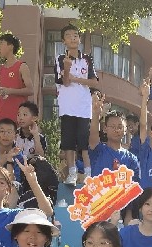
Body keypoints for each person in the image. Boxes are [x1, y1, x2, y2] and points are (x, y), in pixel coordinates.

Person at [55, 24, 100, 184]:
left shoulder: (87, 59)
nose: (73, 38)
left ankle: (88, 172)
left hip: (83, 107)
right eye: (68, 36)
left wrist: (75, 78)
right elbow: (65, 82)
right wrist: (67, 69)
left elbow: (94, 82)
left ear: (79, 39)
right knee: (68, 142)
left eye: (75, 35)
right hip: (67, 107)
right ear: (63, 41)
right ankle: (72, 172)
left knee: (83, 143)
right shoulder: (60, 59)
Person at [88, 96, 139, 183]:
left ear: (125, 130)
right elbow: (93, 136)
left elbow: (134, 185)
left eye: (120, 127)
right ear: (105, 129)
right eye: (112, 126)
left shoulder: (131, 159)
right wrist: (96, 114)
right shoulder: (98, 150)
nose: (116, 130)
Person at [0, 33, 33, 134]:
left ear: (11, 46)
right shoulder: (1, 69)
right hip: (0, 112)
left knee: (13, 143)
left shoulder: (22, 66)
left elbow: (30, 90)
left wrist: (9, 91)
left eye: (1, 44)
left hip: (16, 115)